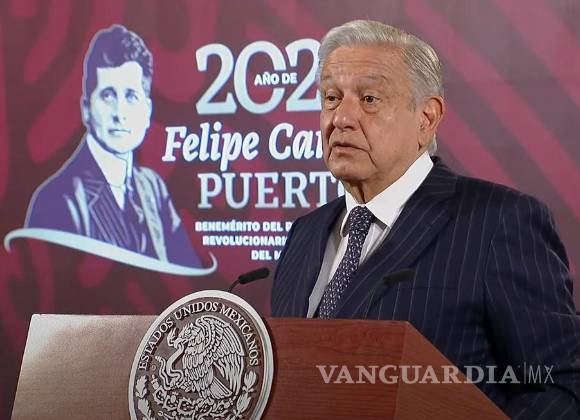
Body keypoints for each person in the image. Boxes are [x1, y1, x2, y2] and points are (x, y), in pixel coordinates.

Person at [271, 19, 579, 418]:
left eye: (369, 99)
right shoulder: (305, 232)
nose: (341, 118)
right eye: (331, 98)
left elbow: (563, 383)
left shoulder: (499, 222)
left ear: (426, 118)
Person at [25, 25, 200, 267]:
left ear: (147, 111)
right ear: (86, 109)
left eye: (131, 96)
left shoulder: (153, 188)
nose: (119, 113)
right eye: (107, 95)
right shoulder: (56, 201)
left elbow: (187, 275)